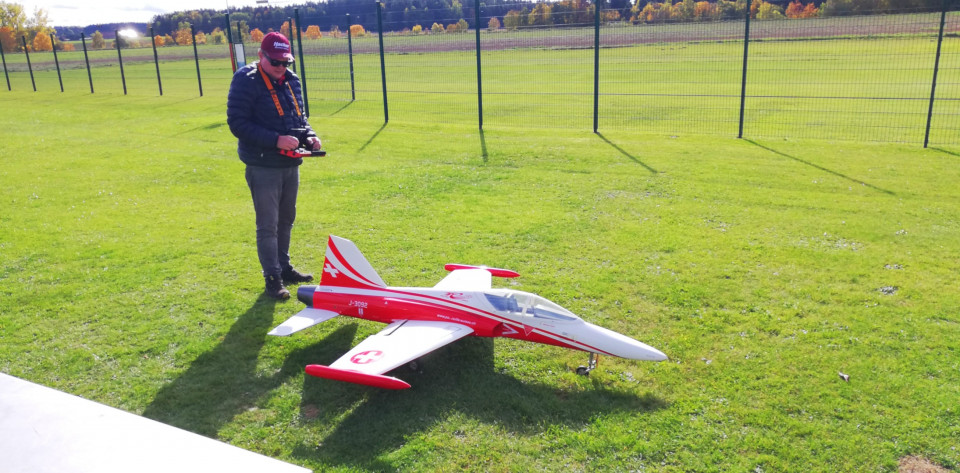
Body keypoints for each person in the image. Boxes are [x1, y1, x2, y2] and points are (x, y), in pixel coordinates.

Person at [227, 32, 321, 300]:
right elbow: (237, 123)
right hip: (263, 164)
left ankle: (284, 267)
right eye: (276, 62)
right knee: (268, 224)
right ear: (261, 56)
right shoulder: (245, 80)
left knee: (287, 219)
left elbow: (300, 118)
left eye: (286, 62)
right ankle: (273, 278)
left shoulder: (292, 80)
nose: (281, 67)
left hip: (291, 162)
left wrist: (310, 136)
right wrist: (276, 139)